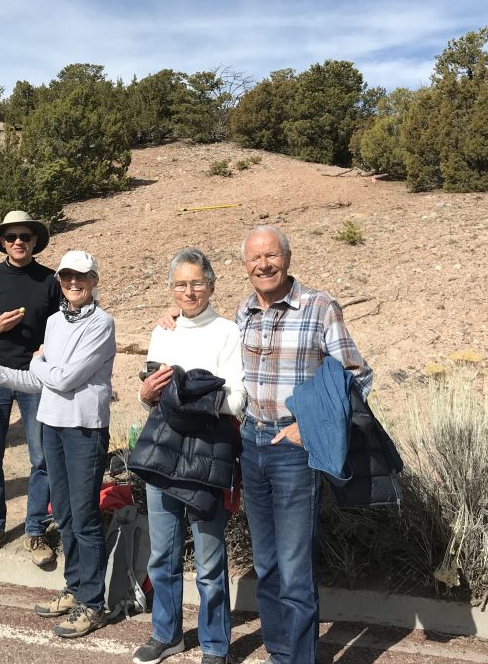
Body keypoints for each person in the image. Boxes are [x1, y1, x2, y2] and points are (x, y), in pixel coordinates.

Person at [235, 225, 373, 663]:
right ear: (245, 265)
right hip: (250, 443)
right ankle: (280, 653)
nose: (264, 265)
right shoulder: (243, 312)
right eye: (255, 258)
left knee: (295, 570)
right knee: (267, 565)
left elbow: (356, 375)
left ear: (288, 258)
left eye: (271, 255)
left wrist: (308, 427)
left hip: (294, 450)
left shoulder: (318, 306)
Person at [0, 250, 116, 639]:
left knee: (85, 517)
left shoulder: (102, 324)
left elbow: (66, 378)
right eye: (67, 276)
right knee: (66, 515)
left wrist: (38, 362)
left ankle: (93, 604)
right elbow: (40, 381)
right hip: (52, 425)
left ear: (94, 280)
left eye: (81, 276)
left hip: (84, 429)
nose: (73, 282)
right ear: (60, 281)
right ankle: (75, 588)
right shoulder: (54, 322)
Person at [130, 248, 245, 664]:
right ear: (171, 289)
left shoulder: (228, 332)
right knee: (162, 555)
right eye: (180, 284)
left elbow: (238, 400)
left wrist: (185, 396)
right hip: (163, 453)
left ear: (211, 285)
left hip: (207, 456)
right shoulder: (164, 331)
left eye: (196, 282)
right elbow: (151, 396)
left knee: (210, 560)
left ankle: (215, 645)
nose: (189, 291)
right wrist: (146, 394)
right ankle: (166, 634)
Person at [0, 211, 61, 565]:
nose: (18, 242)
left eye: (25, 236)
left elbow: (61, 327)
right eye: (11, 237)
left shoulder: (50, 280)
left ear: (34, 241)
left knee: (41, 459)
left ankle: (36, 530)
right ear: (3, 243)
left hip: (35, 379)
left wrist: (47, 350)